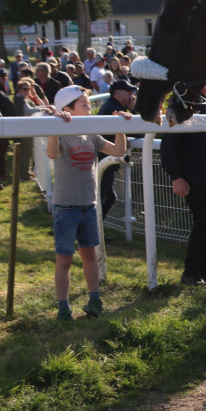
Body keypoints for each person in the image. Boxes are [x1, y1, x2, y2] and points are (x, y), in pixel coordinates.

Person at [46, 85, 131, 322]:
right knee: (64, 259)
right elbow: (52, 153)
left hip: (89, 205)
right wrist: (54, 125)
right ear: (68, 109)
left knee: (89, 255)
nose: (90, 108)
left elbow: (118, 150)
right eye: (84, 105)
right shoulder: (61, 133)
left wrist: (120, 127)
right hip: (66, 207)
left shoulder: (92, 134)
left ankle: (95, 299)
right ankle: (63, 307)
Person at [160, 82, 206, 285]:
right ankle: (191, 273)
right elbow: (169, 141)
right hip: (193, 176)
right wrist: (176, 177)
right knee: (205, 220)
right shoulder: (181, 101)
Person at [96, 79, 137, 222]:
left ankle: (96, 229)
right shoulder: (114, 110)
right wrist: (133, 110)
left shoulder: (113, 106)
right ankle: (94, 230)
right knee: (102, 197)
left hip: (105, 159)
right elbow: (139, 132)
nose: (132, 95)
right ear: (117, 93)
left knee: (108, 197)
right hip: (104, 160)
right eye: (128, 91)